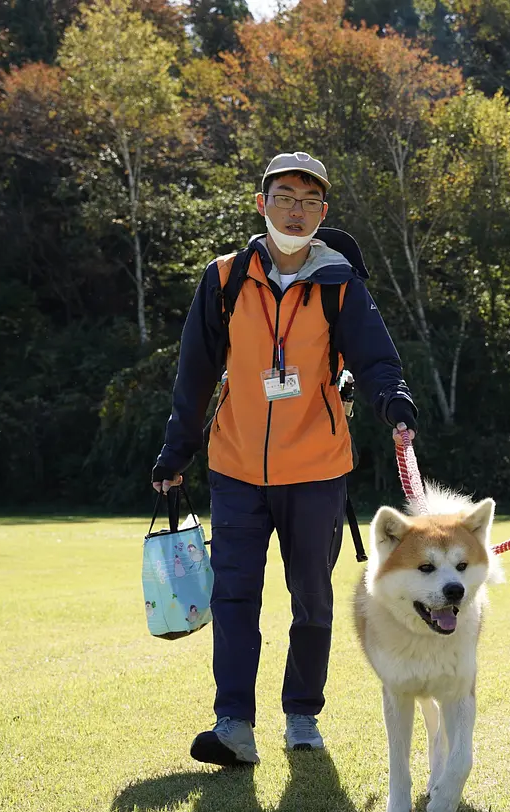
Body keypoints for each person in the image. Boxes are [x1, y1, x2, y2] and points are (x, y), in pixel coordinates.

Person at [151, 152, 418, 766]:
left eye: (309, 201)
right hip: (235, 466)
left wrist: (394, 402)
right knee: (234, 596)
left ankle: (302, 716)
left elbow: (376, 360)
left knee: (311, 598)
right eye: (284, 197)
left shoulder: (342, 283)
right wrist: (176, 450)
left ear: (323, 213)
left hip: (318, 469)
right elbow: (194, 375)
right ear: (261, 202)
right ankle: (233, 725)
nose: (296, 211)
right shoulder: (223, 279)